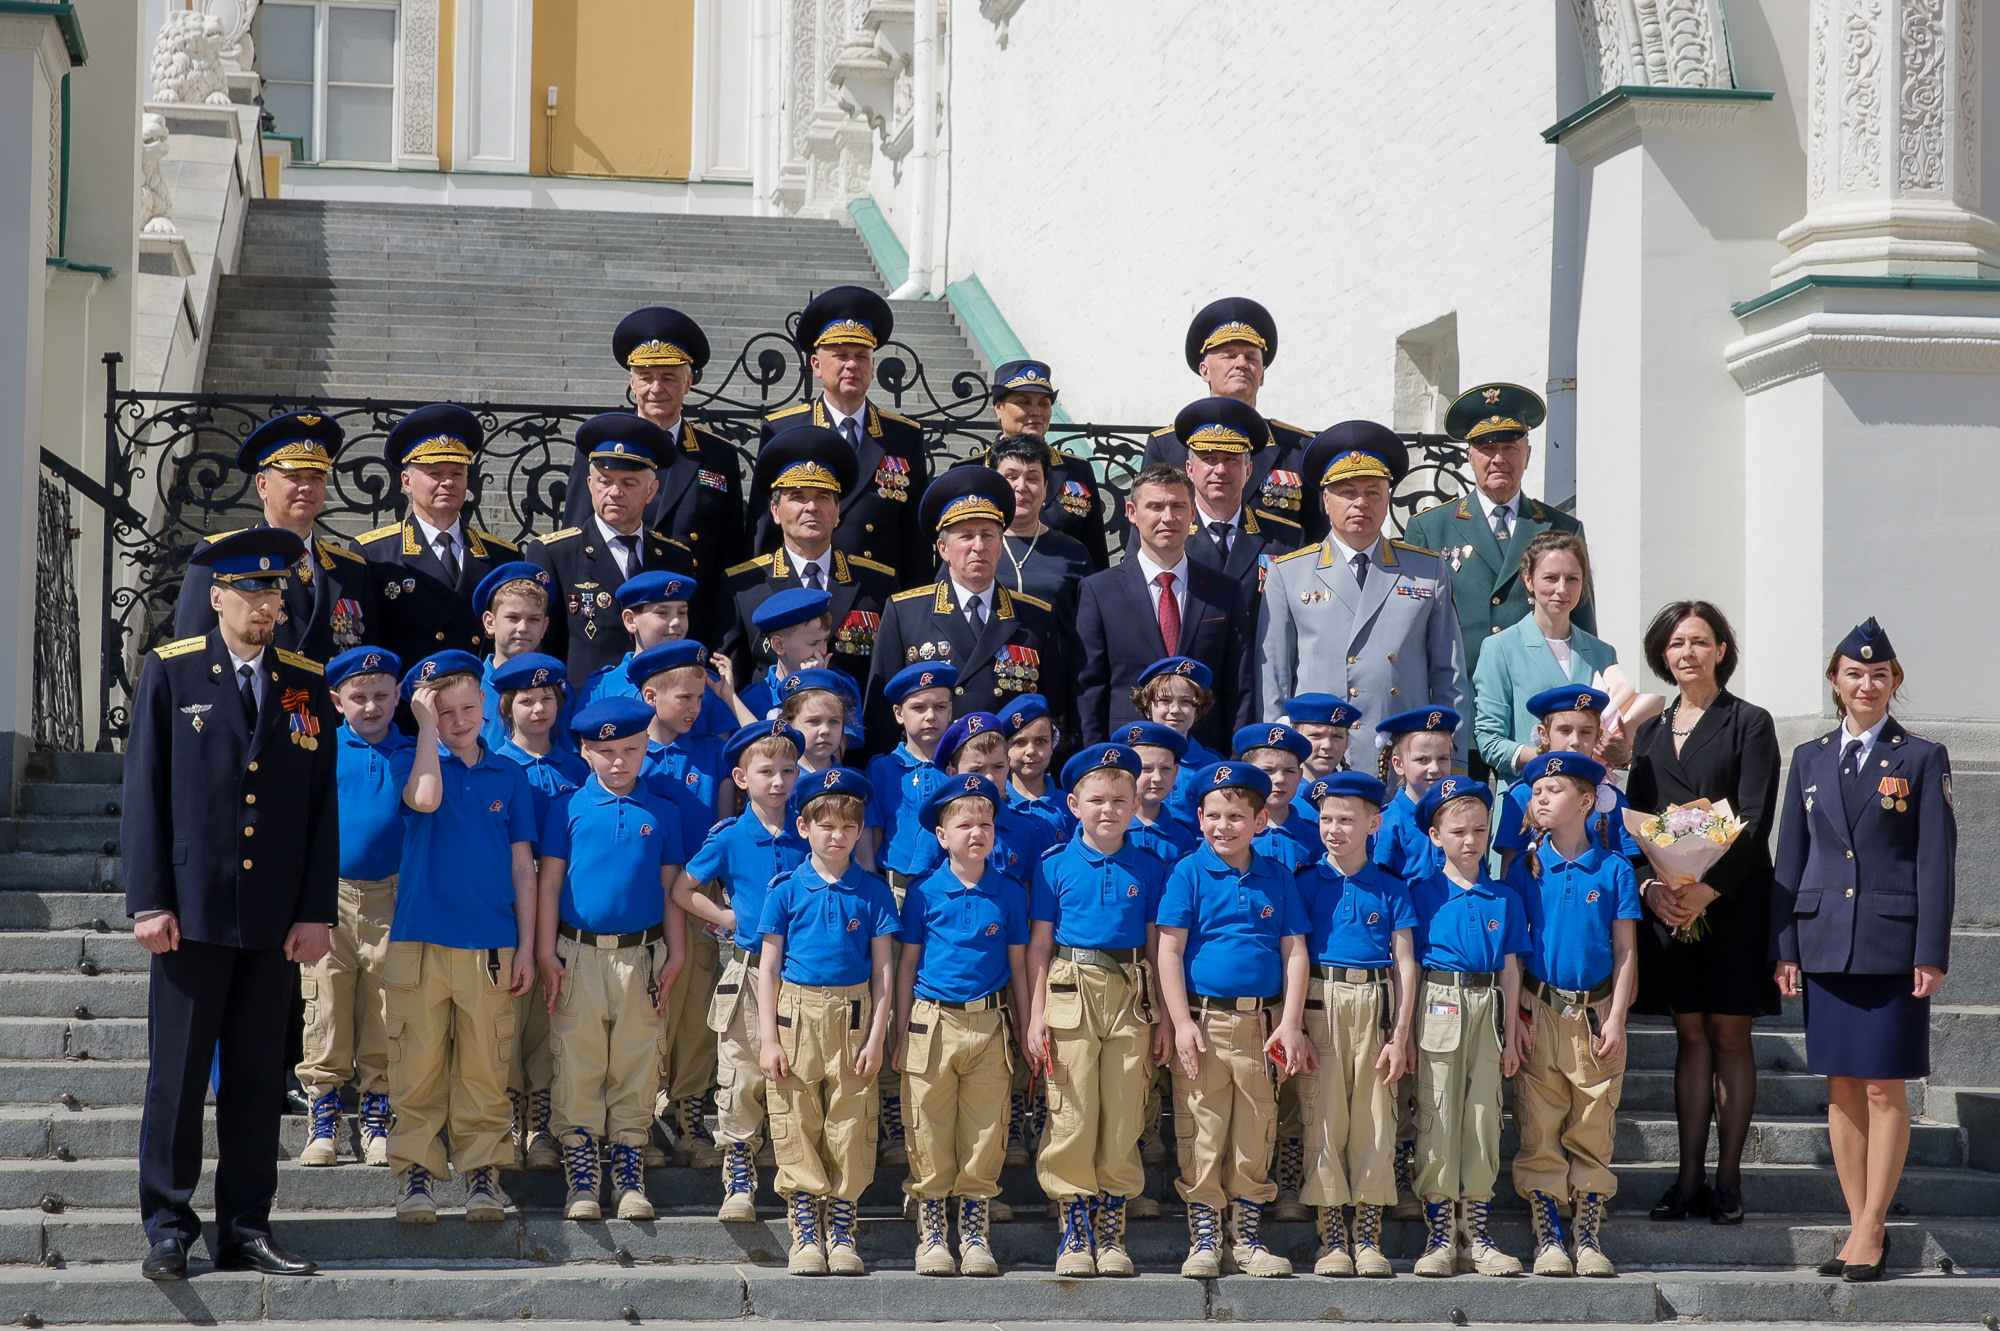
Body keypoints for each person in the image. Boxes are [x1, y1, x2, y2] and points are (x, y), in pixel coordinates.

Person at [125, 528, 336, 1281]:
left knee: (254, 1077)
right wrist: (148, 899)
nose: (266, 606)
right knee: (177, 1076)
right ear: (217, 599)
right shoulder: (173, 671)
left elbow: (320, 805)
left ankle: (246, 1224)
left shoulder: (307, 681)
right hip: (191, 909)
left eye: (275, 592)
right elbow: (144, 791)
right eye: (251, 593)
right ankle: (168, 1223)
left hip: (274, 916)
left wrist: (315, 909)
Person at [1772, 618, 1956, 1284]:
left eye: (1879, 675)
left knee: (1884, 1086)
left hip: (1890, 942)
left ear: (1894, 681)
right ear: (1835, 681)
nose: (1867, 685)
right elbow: (1790, 856)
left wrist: (1931, 948)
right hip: (1823, 942)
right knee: (1841, 1087)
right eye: (1854, 673)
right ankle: (1855, 1222)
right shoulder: (1812, 757)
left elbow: (1935, 860)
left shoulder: (1920, 756)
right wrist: (1785, 944)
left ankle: (1873, 1226)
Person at [1626, 601, 1780, 1227]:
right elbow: (1634, 825)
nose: (1686, 652)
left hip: (1733, 903)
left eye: (1699, 641)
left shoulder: (1749, 722)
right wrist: (1653, 890)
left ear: (1721, 649)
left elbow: (1753, 817)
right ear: (1662, 655)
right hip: (1671, 909)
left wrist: (1707, 891)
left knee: (1729, 1035)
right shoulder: (1651, 732)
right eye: (1675, 643)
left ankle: (1729, 1180)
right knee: (1688, 1037)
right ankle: (1687, 1180)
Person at [384, 651, 540, 1224]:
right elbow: (424, 799)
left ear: (486, 707)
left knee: (485, 1067)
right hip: (420, 942)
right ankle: (417, 1175)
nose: (458, 720)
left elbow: (524, 868)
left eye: (468, 708)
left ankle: (482, 1173)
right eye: (443, 712)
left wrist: (525, 947)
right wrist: (423, 729)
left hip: (493, 945)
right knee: (417, 1063)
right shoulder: (413, 759)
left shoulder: (510, 775)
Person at [1154, 762, 1315, 1280]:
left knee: (1255, 1129)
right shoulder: (1188, 872)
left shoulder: (1278, 877)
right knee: (1201, 1128)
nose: (1224, 827)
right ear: (1198, 817)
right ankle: (1204, 1238)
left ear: (1260, 820)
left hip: (1260, 1026)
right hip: (1204, 1023)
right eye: (1214, 815)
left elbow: (1294, 953)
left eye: (1237, 817)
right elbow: (1169, 951)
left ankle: (1245, 1236)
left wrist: (1290, 1023)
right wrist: (1180, 1022)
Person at [536, 696, 688, 1222]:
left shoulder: (663, 811)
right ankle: (581, 1170)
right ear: (584, 751)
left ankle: (628, 1162)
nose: (620, 761)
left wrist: (678, 951)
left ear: (647, 746)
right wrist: (543, 950)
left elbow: (671, 889)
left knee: (636, 1058)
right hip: (576, 953)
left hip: (643, 954)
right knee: (577, 1057)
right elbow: (550, 882)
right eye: (606, 752)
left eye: (631, 749)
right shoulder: (566, 808)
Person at [1026, 742, 1168, 1277]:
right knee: (1073, 1105)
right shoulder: (1054, 866)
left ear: (1135, 805)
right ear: (1074, 804)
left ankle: (1113, 1225)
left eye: (1119, 799)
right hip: (1070, 986)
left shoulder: (1151, 866)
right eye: (1097, 800)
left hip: (1131, 990)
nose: (1108, 810)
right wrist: (1037, 1015)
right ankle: (1075, 1225)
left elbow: (1157, 946)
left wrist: (1167, 1018)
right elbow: (1039, 946)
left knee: (1125, 1105)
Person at [1502, 751, 1641, 1279]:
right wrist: (1514, 1015)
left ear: (1587, 802)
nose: (1540, 798)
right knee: (1538, 1124)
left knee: (1592, 1120)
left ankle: (1587, 1232)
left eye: (1552, 791)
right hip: (1539, 1008)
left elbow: (1625, 948)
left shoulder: (1613, 868)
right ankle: (1548, 1234)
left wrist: (1618, 1019)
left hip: (1595, 1013)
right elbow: (1513, 954)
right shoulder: (1525, 869)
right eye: (1536, 791)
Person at [756, 768, 900, 1276]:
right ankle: (805, 1225)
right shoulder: (786, 889)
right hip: (796, 1013)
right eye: (825, 826)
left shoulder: (874, 892)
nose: (835, 836)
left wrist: (879, 1035)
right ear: (804, 828)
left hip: (855, 1015)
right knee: (796, 1116)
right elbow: (768, 967)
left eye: (846, 827)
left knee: (851, 1120)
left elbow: (884, 971)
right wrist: (769, 1038)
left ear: (859, 832)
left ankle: (841, 1221)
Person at [1258, 422, 1465, 763]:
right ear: (1325, 500)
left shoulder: (1427, 571)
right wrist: (1278, 758)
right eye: (1347, 492)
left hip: (1401, 761)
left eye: (1372, 491)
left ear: (1388, 498)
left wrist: (1452, 761)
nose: (1360, 503)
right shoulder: (1289, 573)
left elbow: (1449, 676)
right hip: (1319, 760)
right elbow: (1274, 683)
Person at [673, 720, 810, 1221]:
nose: (778, 781)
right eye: (766, 771)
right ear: (741, 776)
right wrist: (725, 917)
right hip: (748, 974)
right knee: (742, 1072)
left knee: (795, 1071)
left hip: (803, 975)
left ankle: (793, 1171)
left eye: (788, 771)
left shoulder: (809, 831)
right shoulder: (730, 837)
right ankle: (739, 1172)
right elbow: (684, 890)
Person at [895, 774, 1031, 1278]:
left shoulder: (1009, 893)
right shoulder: (925, 894)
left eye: (986, 824)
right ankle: (933, 1230)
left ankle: (974, 1231)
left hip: (990, 1022)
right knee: (928, 1126)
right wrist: (900, 1030)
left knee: (985, 1129)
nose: (977, 833)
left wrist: (1023, 1025)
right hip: (932, 1021)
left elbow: (1019, 967)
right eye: (965, 825)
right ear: (942, 835)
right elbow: (907, 965)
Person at [1292, 771, 1417, 1278]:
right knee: (1323, 1118)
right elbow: (1293, 955)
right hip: (1321, 1003)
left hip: (1376, 1004)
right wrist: (1294, 1026)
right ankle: (1332, 1237)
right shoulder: (1303, 882)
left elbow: (1405, 963)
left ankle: (1368, 1234)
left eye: (1347, 819)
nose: (1334, 829)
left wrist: (1401, 1035)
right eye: (1326, 819)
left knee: (1375, 1119)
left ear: (1374, 823)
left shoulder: (1390, 886)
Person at [560, 307, 746, 638]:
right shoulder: (598, 449)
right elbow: (576, 541)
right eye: (646, 377)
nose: (656, 388)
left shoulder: (718, 456)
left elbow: (731, 560)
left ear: (689, 382)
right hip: (608, 621)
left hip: (688, 626)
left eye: (669, 377)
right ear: (631, 381)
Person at [1404, 777, 1525, 1279]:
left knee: (1481, 1114)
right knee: (1436, 1112)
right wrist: (1403, 1032)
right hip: (1438, 1002)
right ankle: (1439, 1233)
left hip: (1488, 1005)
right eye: (1458, 831)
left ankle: (1476, 1230)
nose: (1471, 841)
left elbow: (1512, 966)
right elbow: (1404, 965)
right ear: (1436, 836)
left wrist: (1514, 1028)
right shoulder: (1419, 892)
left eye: (1480, 830)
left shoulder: (1504, 897)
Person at [296, 646, 412, 1170]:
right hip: (330, 896)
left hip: (394, 895)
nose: (371, 706)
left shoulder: (412, 752)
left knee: (386, 1008)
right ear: (337, 701)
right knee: (326, 1004)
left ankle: (376, 1111)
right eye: (358, 697)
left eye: (381, 696)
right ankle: (323, 1113)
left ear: (398, 697)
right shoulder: (318, 750)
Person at [1402, 383, 1592, 685]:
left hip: (1541, 698)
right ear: (1469, 456)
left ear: (1527, 455)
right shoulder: (1430, 528)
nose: (1498, 459)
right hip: (1461, 698)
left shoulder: (1562, 528)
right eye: (1487, 449)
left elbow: (1583, 631)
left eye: (1509, 448)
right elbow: (1411, 632)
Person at [868, 466, 1071, 743]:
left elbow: (1053, 708)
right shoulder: (904, 613)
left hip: (1005, 773)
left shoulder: (1035, 616)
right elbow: (882, 712)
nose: (978, 546)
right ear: (943, 549)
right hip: (933, 771)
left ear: (1001, 546)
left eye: (988, 535)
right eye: (966, 535)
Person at [751, 286, 931, 576]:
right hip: (803, 590)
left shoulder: (903, 436)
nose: (851, 365)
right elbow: (763, 530)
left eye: (861, 356)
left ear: (873, 367)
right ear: (816, 365)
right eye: (840, 354)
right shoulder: (783, 430)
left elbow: (915, 537)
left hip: (876, 600)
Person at [175, 412, 379, 662]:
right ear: (262, 485)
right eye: (293, 477)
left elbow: (369, 659)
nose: (306, 487)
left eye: (316, 478)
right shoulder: (220, 556)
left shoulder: (351, 569)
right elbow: (191, 658)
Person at [489, 651, 587, 1170]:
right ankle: (509, 1116)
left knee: (551, 1020)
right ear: (507, 707)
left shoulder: (578, 766)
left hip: (567, 913)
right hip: (506, 912)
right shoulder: (498, 767)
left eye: (548, 698)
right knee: (509, 1015)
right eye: (527, 699)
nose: (539, 708)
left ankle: (543, 1122)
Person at [1075, 464, 1253, 748]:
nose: (1168, 517)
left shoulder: (1224, 591)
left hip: (1206, 756)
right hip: (1128, 753)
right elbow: (1089, 688)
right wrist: (1097, 759)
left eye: (1178, 506)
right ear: (1132, 512)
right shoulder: (1099, 591)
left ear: (1193, 512)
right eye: (1155, 506)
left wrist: (1234, 759)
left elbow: (1239, 685)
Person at [723, 427, 898, 692]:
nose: (812, 507)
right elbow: (733, 679)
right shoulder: (745, 585)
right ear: (775, 510)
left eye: (822, 497)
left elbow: (886, 675)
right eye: (798, 497)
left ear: (837, 511)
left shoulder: (877, 583)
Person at [525, 413, 694, 681]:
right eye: (605, 481)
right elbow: (541, 646)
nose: (615, 492)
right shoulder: (555, 555)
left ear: (651, 491)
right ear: (590, 485)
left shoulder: (674, 557)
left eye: (629, 483)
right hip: (586, 710)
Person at [1141, 298, 1322, 544]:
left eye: (1251, 357)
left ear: (1262, 375)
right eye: (1229, 355)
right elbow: (1144, 535)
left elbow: (1317, 540)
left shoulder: (1298, 448)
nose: (1241, 364)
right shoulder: (1168, 445)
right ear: (1204, 370)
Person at [354, 404, 519, 666]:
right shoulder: (373, 554)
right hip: (412, 699)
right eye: (435, 474)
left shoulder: (501, 555)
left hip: (479, 699)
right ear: (406, 481)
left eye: (457, 473)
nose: (448, 483)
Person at [1472, 530, 1620, 783]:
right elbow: (1489, 740)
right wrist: (1544, 755)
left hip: (1588, 800)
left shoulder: (1603, 652)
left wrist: (1619, 748)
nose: (1562, 589)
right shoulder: (1499, 648)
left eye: (1572, 579)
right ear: (1528, 580)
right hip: (1527, 796)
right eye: (1550, 578)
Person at [573, 570, 739, 738]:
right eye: (662, 613)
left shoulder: (707, 683)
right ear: (631, 620)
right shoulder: (604, 686)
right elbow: (587, 752)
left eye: (682, 612)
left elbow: (722, 750)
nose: (675, 622)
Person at [1176, 397, 1302, 610]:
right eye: (1209, 459)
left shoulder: (1285, 538)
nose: (1220, 470)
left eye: (1231, 459)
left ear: (1249, 471)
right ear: (1189, 469)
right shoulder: (1171, 531)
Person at [985, 362, 1110, 569]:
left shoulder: (1076, 470)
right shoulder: (975, 469)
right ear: (999, 408)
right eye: (1024, 402)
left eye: (1044, 403)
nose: (1036, 411)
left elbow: (1095, 551)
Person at [865, 664, 956, 893]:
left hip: (951, 884)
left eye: (940, 706)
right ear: (898, 713)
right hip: (895, 885)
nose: (931, 716)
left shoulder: (959, 768)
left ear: (950, 710)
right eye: (918, 707)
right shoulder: (883, 769)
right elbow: (871, 838)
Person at [982, 437, 1095, 620]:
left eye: (1032, 478)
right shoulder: (972, 548)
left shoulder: (1073, 552)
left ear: (1045, 488)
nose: (1021, 486)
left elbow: (1088, 622)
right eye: (1011, 477)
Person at [471, 562, 565, 753]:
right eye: (513, 618)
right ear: (490, 622)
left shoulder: (557, 687)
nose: (522, 628)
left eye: (533, 619)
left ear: (544, 627)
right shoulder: (472, 688)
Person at [737, 588, 837, 722]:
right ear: (779, 645)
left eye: (825, 641)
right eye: (813, 643)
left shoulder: (841, 688)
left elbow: (838, 742)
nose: (823, 651)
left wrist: (818, 686)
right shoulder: (753, 700)